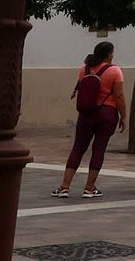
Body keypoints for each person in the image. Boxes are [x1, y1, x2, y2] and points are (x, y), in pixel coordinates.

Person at [53, 41, 125, 199]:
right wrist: (123, 116)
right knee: (98, 150)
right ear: (108, 54)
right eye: (112, 53)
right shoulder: (114, 71)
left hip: (86, 114)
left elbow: (81, 88)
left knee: (78, 148)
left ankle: (64, 187)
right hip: (107, 113)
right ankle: (89, 188)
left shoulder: (84, 69)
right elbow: (119, 96)